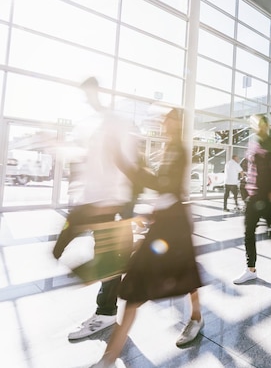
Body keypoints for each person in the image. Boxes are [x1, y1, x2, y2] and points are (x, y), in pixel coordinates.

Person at [92, 108, 203, 367]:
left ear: (179, 124)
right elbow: (163, 187)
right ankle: (109, 358)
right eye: (165, 119)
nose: (164, 122)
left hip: (173, 226)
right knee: (138, 286)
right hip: (166, 224)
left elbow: (165, 185)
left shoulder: (179, 151)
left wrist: (125, 162)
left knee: (181, 275)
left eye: (169, 119)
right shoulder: (170, 150)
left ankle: (196, 317)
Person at [57, 77, 139, 342]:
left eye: (89, 94)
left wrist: (123, 207)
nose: (87, 100)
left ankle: (105, 313)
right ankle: (105, 308)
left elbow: (126, 166)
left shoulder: (113, 123)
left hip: (110, 205)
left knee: (107, 259)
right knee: (103, 256)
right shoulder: (98, 125)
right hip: (98, 204)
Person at [233, 114, 271, 284]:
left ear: (267, 125)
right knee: (249, 231)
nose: (260, 127)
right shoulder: (253, 144)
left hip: (266, 195)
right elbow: (249, 167)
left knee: (268, 230)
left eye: (263, 124)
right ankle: (251, 269)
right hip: (253, 195)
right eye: (257, 124)